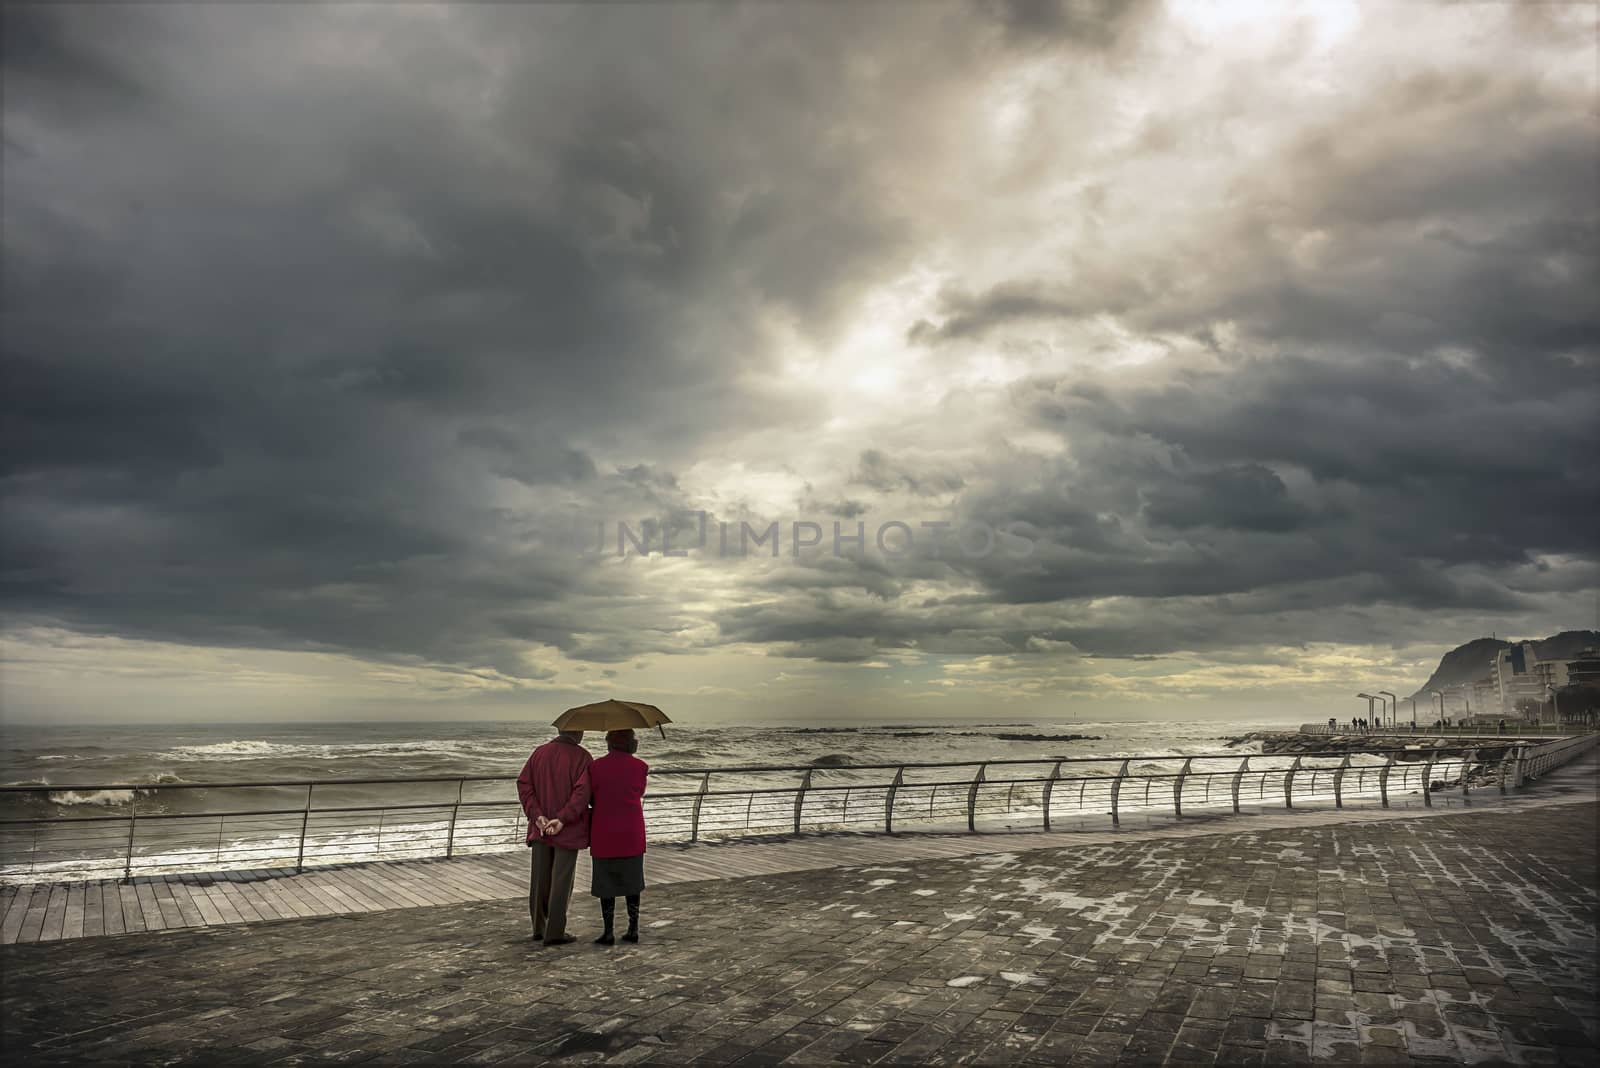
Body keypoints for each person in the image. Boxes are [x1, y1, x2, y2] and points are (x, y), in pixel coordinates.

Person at [516, 729, 592, 946]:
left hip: (540, 827)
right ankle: (555, 931)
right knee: (562, 881)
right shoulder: (582, 757)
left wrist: (537, 815)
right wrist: (562, 818)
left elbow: (524, 786)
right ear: (578, 734)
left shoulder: (539, 753)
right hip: (567, 829)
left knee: (539, 879)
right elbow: (582, 794)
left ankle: (538, 928)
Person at [588, 728, 649, 945]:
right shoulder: (641, 767)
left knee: (606, 883)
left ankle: (608, 931)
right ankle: (633, 928)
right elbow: (639, 792)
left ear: (609, 742)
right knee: (632, 882)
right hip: (631, 831)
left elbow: (591, 796)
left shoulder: (595, 766)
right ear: (629, 742)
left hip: (604, 831)